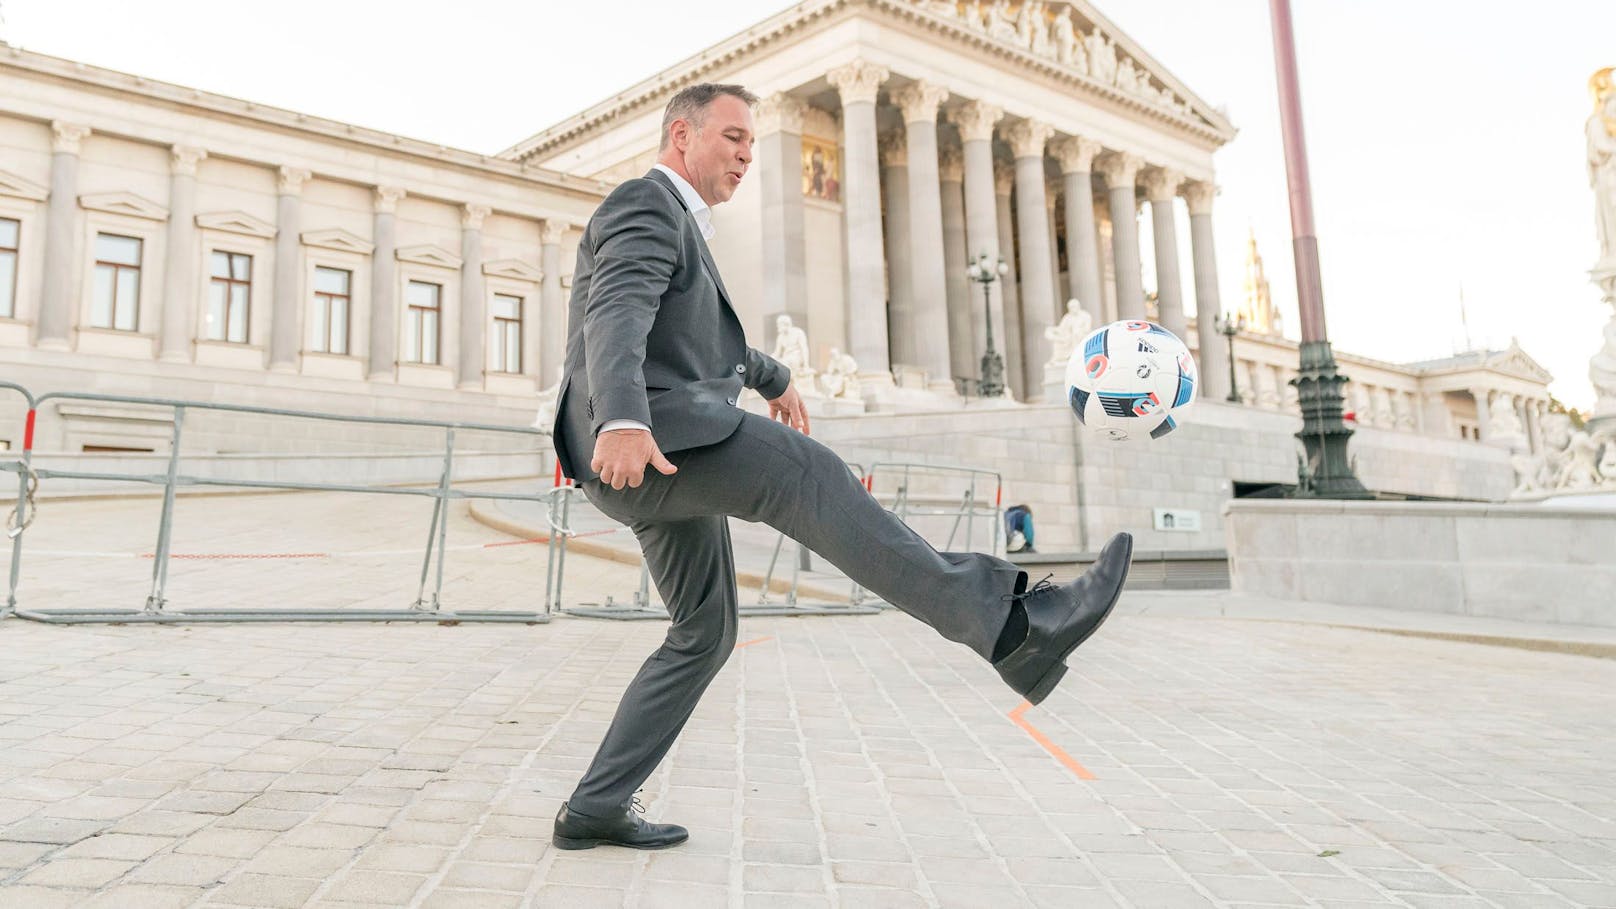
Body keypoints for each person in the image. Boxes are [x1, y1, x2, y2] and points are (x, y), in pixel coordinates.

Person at [548, 83, 1133, 851]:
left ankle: (595, 804)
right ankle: (1013, 625)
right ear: (681, 136)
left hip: (655, 446)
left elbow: (694, 344)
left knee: (705, 629)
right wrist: (621, 417)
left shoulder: (684, 227)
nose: (748, 155)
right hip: (645, 444)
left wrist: (769, 374)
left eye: (754, 143)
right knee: (808, 475)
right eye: (732, 138)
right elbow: (617, 309)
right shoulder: (644, 203)